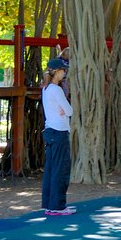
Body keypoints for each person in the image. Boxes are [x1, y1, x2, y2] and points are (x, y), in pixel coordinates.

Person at [41, 58, 75, 216]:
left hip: (50, 131)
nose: (64, 73)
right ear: (56, 72)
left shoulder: (45, 88)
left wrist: (62, 109)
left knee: (51, 169)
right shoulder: (56, 89)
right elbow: (69, 111)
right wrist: (64, 109)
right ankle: (58, 206)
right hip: (60, 131)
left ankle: (49, 205)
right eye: (63, 70)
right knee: (60, 170)